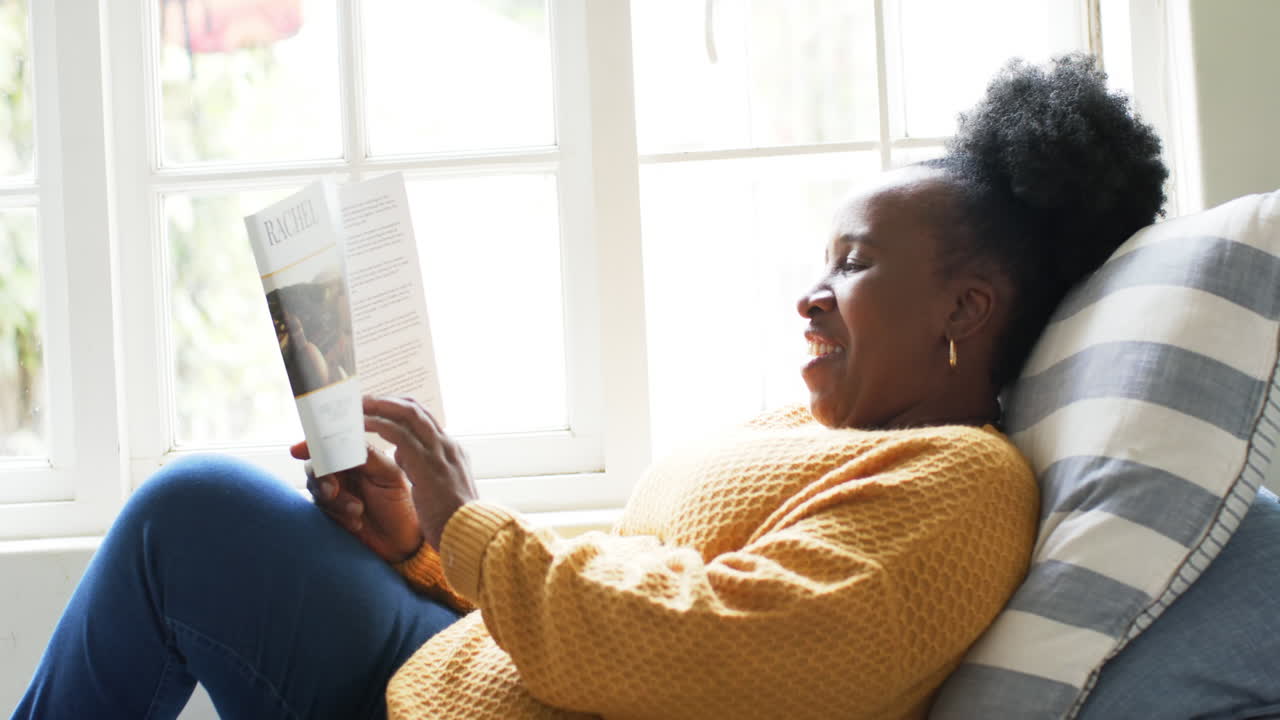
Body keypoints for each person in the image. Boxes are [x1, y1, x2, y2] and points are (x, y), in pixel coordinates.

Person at [11, 54, 1167, 720]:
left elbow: (713, 651)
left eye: (853, 265)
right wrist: (423, 543)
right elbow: (622, 587)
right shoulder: (813, 432)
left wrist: (469, 527)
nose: (811, 294)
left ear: (964, 312)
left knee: (187, 517)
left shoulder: (958, 490)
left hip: (443, 702)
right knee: (200, 500)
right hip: (451, 663)